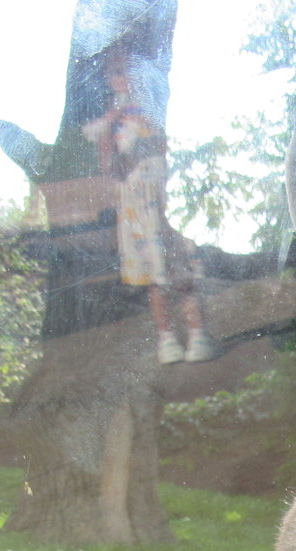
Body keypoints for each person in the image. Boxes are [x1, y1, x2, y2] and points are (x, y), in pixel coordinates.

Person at [83, 45, 213, 364]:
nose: (122, 78)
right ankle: (166, 337)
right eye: (115, 73)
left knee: (180, 270)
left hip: (160, 195)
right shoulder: (112, 121)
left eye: (127, 70)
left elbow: (164, 142)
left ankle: (197, 334)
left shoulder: (152, 107)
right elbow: (110, 166)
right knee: (154, 274)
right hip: (136, 203)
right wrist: (109, 135)